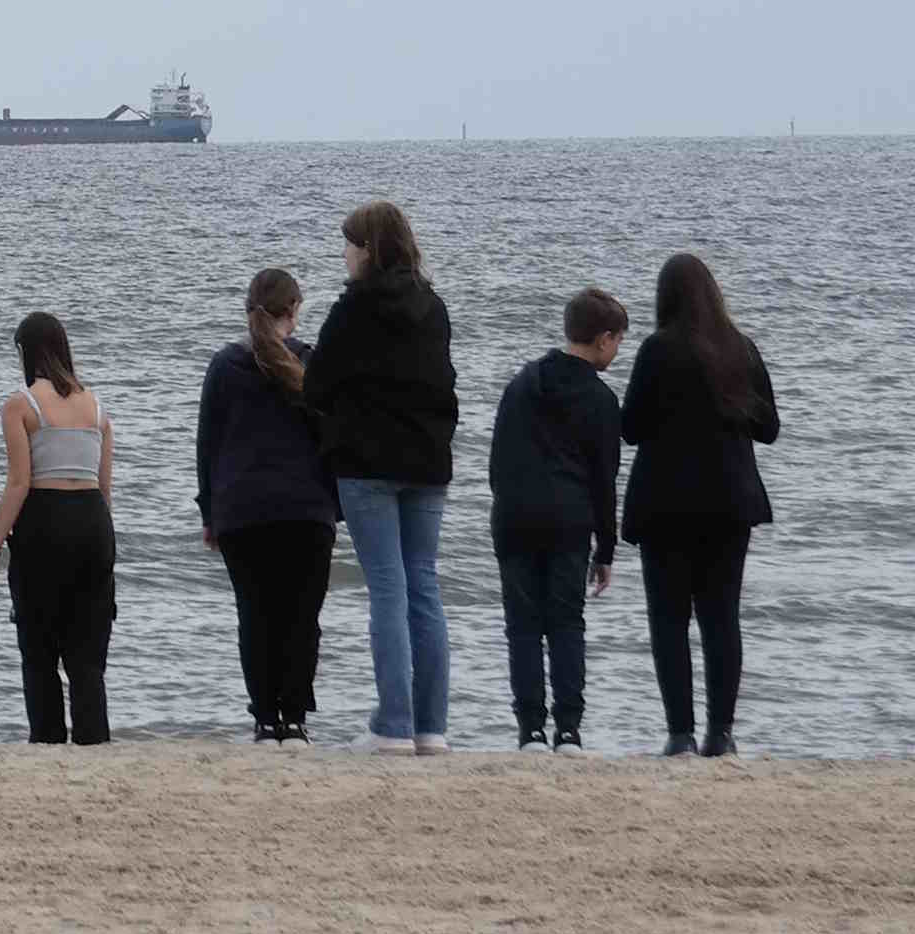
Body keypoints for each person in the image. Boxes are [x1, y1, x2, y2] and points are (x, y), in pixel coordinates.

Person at [304, 199, 459, 754]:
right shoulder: (433, 307)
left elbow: (316, 386)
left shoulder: (353, 309)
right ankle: (432, 727)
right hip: (427, 462)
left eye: (348, 244)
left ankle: (393, 725)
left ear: (367, 250)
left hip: (367, 464)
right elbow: (445, 382)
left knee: (388, 590)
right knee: (424, 586)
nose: (343, 255)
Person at [620, 251, 783, 758]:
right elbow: (769, 429)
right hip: (730, 502)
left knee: (668, 618)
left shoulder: (656, 350)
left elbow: (630, 428)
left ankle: (679, 734)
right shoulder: (742, 350)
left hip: (665, 503)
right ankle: (722, 733)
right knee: (721, 617)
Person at [195, 268, 337, 742]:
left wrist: (209, 514)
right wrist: (337, 505)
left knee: (255, 616)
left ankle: (264, 719)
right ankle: (294, 719)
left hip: (241, 510)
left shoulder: (224, 365)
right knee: (301, 618)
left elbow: (207, 447)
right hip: (305, 510)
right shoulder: (311, 364)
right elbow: (331, 440)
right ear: (294, 310)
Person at [486, 289, 628, 750]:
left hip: (515, 517)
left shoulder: (522, 383)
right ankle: (568, 729)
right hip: (569, 521)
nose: (618, 350)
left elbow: (496, 462)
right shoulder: (601, 400)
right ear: (604, 339)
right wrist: (605, 549)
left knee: (522, 625)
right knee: (567, 623)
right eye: (619, 341)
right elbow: (604, 482)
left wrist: (508, 506)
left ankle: (530, 730)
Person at [0, 313, 115, 744]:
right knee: (87, 653)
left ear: (25, 352)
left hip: (45, 523)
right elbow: (105, 488)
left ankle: (49, 742)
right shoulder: (97, 406)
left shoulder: (21, 404)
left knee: (38, 648)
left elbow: (19, 482)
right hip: (94, 523)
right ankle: (93, 742)